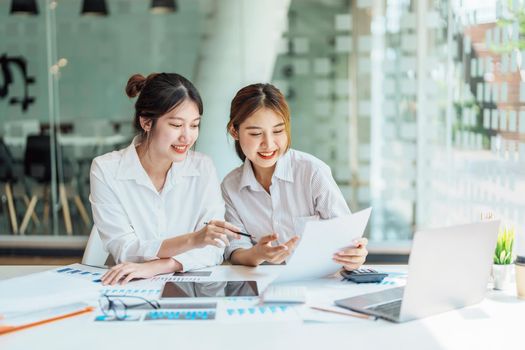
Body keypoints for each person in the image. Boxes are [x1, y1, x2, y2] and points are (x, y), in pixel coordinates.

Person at [89, 73, 240, 285]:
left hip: (190, 285)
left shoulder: (202, 167)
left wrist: (161, 265)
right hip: (131, 286)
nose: (187, 137)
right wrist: (192, 240)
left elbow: (215, 247)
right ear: (147, 122)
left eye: (194, 125)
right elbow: (125, 249)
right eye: (177, 125)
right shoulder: (106, 169)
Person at [222, 83, 368, 269]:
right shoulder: (230, 186)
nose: (269, 144)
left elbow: (346, 238)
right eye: (256, 133)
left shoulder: (312, 172)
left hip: (318, 282)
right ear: (235, 131)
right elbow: (235, 251)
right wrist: (256, 254)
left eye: (277, 131)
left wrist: (355, 254)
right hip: (262, 284)